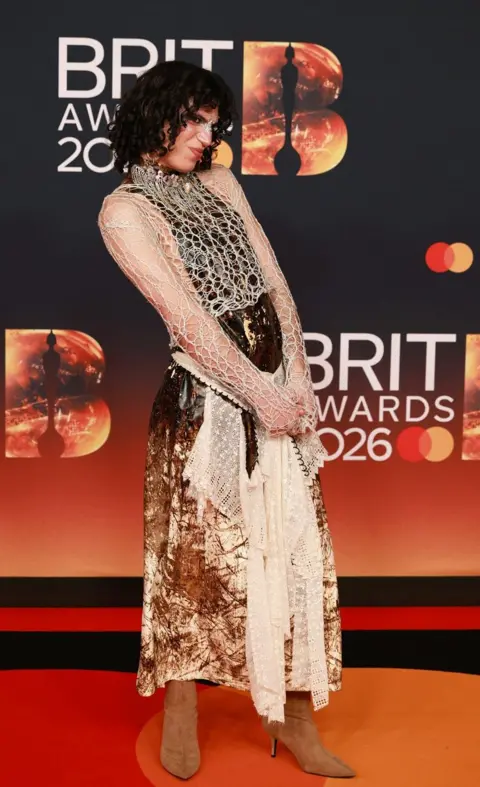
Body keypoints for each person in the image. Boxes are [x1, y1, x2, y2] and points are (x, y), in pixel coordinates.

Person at [98, 60, 354, 780]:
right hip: (204, 402)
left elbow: (274, 284)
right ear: (157, 115)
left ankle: (296, 719)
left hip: (276, 389)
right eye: (196, 121)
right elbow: (189, 323)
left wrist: (297, 378)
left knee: (299, 552)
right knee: (197, 567)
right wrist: (259, 395)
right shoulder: (124, 211)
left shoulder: (222, 183)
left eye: (215, 124)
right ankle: (183, 711)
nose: (210, 137)